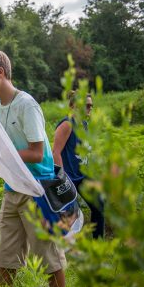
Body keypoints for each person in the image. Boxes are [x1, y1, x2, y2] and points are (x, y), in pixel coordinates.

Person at [0, 49, 66, 287]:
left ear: (0, 73)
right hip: (12, 190)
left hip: (37, 190)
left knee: (49, 257)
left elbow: (36, 153)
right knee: (7, 256)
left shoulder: (26, 104)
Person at [53, 91, 104, 239]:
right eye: (87, 106)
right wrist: (62, 179)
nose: (90, 109)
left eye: (91, 106)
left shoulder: (84, 124)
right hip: (68, 178)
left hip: (82, 176)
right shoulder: (67, 124)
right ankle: (64, 249)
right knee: (69, 216)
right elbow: (55, 152)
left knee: (99, 206)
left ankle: (98, 246)